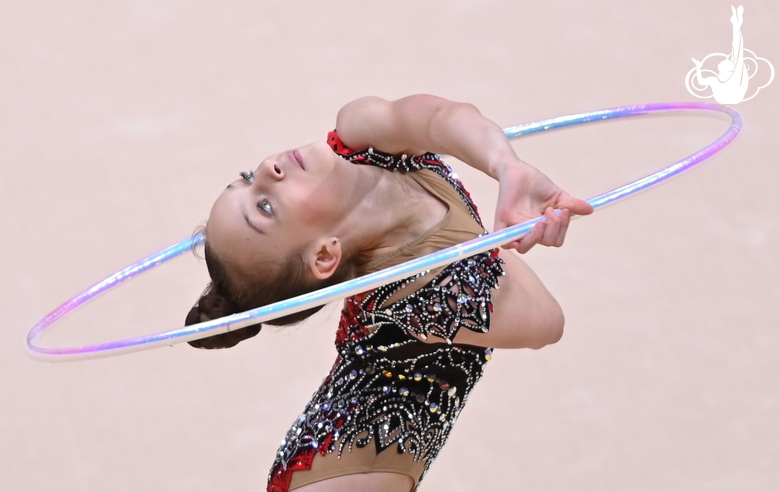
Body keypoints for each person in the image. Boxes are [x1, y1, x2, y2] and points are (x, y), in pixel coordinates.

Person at [184, 95, 594, 492]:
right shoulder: (424, 299)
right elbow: (547, 321)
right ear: (325, 255)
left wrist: (507, 166)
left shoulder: (359, 135)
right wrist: (497, 242)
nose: (268, 168)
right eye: (266, 208)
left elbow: (441, 117)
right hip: (347, 466)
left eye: (246, 179)